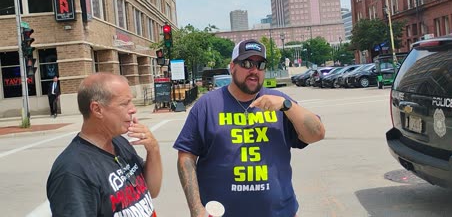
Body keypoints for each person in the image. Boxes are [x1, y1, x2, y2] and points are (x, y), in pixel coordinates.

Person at [174, 39, 326, 217]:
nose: (254, 70)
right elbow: (186, 156)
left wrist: (288, 106)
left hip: (279, 212)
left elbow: (317, 134)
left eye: (260, 64)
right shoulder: (207, 105)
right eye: (247, 63)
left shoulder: (280, 102)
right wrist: (196, 208)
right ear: (232, 67)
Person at [47, 72, 163, 216]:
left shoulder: (120, 142)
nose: (133, 109)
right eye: (124, 103)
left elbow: (152, 190)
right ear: (97, 109)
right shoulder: (73, 172)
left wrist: (153, 149)